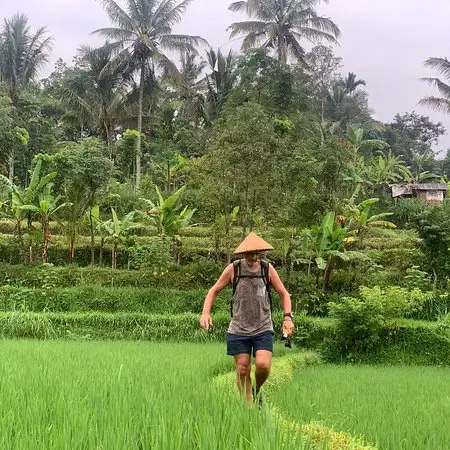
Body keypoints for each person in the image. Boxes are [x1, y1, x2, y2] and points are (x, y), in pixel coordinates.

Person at [199, 232, 295, 407]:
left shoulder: (267, 269)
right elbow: (213, 290)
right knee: (243, 368)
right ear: (243, 254)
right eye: (250, 254)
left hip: (263, 326)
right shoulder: (234, 269)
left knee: (263, 365)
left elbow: (284, 293)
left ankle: (257, 389)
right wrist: (205, 313)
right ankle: (250, 410)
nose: (254, 257)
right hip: (238, 328)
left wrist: (288, 318)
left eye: (257, 253)